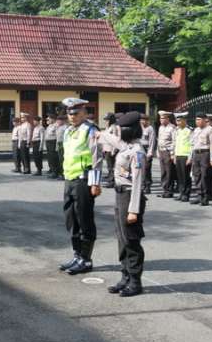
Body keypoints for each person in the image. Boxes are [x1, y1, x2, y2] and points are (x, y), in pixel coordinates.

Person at [94, 112, 147, 297]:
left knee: (131, 240)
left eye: (123, 129)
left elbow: (138, 183)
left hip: (131, 197)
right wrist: (100, 133)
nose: (120, 131)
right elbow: (114, 140)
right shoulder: (126, 146)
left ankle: (135, 281)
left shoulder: (137, 151)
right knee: (122, 239)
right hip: (120, 195)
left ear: (131, 130)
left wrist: (133, 210)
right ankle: (124, 276)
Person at [57, 98, 100, 275]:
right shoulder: (68, 131)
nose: (72, 116)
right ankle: (77, 255)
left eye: (76, 113)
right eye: (69, 113)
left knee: (84, 219)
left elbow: (97, 158)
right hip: (70, 179)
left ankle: (86, 259)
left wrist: (95, 183)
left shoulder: (90, 130)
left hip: (84, 179)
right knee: (71, 219)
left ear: (84, 113)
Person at [189, 112, 212, 206]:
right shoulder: (196, 130)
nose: (197, 121)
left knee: (204, 176)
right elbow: (192, 145)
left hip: (205, 153)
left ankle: (205, 197)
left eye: (199, 119)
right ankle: (199, 196)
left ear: (205, 120)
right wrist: (191, 156)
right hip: (196, 154)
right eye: (196, 120)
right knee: (196, 175)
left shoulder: (210, 130)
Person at [156, 110, 176, 198]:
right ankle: (165, 190)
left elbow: (174, 141)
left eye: (163, 118)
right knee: (163, 172)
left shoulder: (172, 128)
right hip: (161, 151)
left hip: (168, 152)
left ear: (168, 118)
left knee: (169, 172)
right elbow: (159, 140)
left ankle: (169, 190)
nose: (161, 120)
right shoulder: (161, 127)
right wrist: (157, 151)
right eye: (160, 118)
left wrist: (172, 153)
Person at [173, 112, 193, 202]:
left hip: (186, 155)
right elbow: (175, 144)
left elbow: (192, 145)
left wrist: (190, 157)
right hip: (178, 155)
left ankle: (186, 194)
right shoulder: (176, 130)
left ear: (184, 120)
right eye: (177, 121)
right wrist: (174, 155)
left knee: (186, 176)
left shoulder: (189, 130)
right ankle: (181, 193)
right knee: (179, 176)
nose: (178, 122)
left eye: (180, 121)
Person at [101, 112, 120, 188]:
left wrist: (114, 150)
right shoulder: (107, 127)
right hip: (106, 149)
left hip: (111, 150)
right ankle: (111, 180)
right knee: (109, 167)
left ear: (111, 120)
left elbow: (116, 140)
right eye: (105, 120)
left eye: (107, 120)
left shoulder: (114, 127)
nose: (106, 121)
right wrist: (103, 148)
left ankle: (112, 181)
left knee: (112, 167)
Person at [139, 113, 156, 193]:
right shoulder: (139, 128)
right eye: (141, 120)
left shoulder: (150, 129)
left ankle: (147, 185)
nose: (143, 122)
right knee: (140, 168)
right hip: (140, 149)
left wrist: (150, 153)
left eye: (144, 120)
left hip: (147, 149)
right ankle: (142, 185)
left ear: (147, 121)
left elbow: (152, 141)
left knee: (147, 169)